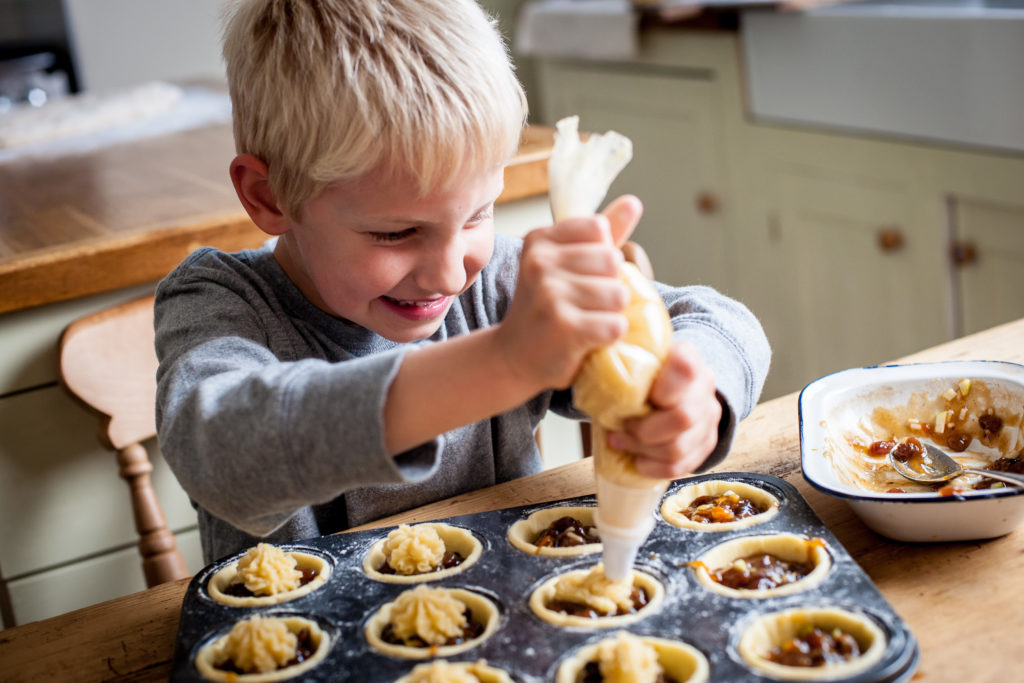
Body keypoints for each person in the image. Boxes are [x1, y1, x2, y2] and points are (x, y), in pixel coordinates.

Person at [154, 0, 771, 564]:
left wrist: (696, 397)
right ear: (269, 196)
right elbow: (224, 451)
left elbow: (721, 321)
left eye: (478, 214)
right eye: (396, 234)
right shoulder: (219, 302)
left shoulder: (500, 281)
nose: (450, 273)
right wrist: (504, 362)